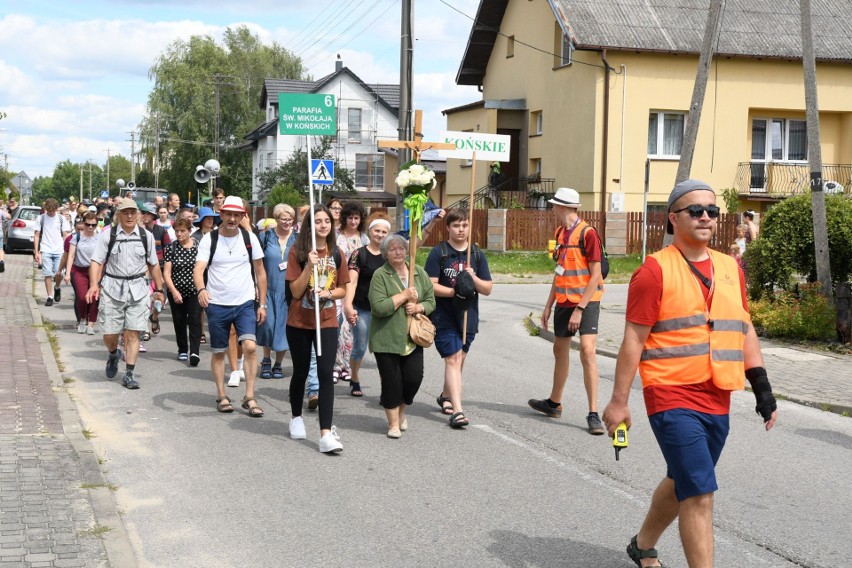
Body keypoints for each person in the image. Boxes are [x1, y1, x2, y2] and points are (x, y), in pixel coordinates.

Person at [602, 179, 778, 568]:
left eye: (712, 211)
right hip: (670, 394)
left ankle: (643, 544)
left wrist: (762, 388)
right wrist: (618, 401)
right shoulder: (653, 271)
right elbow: (633, 339)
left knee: (684, 479)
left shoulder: (731, 268)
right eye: (695, 211)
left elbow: (743, 327)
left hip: (718, 395)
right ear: (673, 219)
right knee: (699, 492)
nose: (705, 217)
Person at [529, 187, 606, 435]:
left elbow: (595, 275)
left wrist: (580, 309)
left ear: (562, 207)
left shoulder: (588, 234)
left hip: (587, 300)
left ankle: (593, 413)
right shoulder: (560, 233)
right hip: (564, 300)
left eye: (554, 205)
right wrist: (548, 305)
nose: (552, 209)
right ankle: (554, 403)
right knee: (559, 349)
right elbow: (559, 272)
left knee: (587, 351)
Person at [193, 196, 267, 417]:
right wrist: (201, 289)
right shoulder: (210, 239)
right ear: (221, 215)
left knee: (251, 347)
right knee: (218, 352)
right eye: (229, 214)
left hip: (244, 302)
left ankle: (250, 396)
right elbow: (199, 269)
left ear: (243, 216)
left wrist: (262, 304)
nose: (232, 218)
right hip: (217, 304)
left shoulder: (249, 238)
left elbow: (261, 272)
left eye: (237, 215)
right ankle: (221, 395)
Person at [285, 203, 348, 453]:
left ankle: (325, 434)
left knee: (325, 375)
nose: (323, 225)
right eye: (318, 221)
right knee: (300, 371)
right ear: (310, 226)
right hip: (299, 322)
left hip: (327, 321)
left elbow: (343, 287)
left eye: (326, 221)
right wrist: (309, 266)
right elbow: (296, 291)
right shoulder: (298, 252)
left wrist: (329, 293)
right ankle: (295, 418)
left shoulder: (337, 253)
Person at [86, 198, 166, 389]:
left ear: (138, 214)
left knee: (133, 333)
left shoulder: (145, 236)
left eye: (133, 212)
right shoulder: (108, 235)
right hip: (113, 289)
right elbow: (96, 261)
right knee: (109, 334)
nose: (129, 216)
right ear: (118, 215)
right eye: (125, 212)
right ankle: (113, 353)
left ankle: (129, 373)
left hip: (138, 289)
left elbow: (154, 264)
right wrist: (94, 285)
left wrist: (160, 290)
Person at [424, 208, 493, 429]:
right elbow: (430, 286)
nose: (461, 230)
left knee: (459, 359)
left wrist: (473, 279)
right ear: (448, 228)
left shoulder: (476, 254)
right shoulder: (439, 253)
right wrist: (456, 291)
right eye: (456, 225)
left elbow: (488, 288)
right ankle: (458, 411)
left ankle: (445, 396)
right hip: (444, 315)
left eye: (464, 225)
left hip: (468, 315)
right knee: (453, 359)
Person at [368, 233, 435, 438]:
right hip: (386, 338)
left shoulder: (418, 272)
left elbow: (431, 301)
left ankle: (401, 411)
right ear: (385, 254)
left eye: (401, 248)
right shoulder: (380, 275)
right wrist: (403, 296)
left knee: (414, 379)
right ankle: (393, 424)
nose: (398, 252)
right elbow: (378, 307)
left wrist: (419, 307)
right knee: (391, 382)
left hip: (413, 338)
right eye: (392, 249)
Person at [344, 213, 391, 398]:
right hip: (362, 308)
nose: (380, 234)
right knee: (360, 346)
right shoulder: (359, 254)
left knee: (384, 350)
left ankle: (386, 388)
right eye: (377, 230)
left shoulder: (390, 255)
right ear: (370, 231)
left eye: (384, 232)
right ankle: (354, 377)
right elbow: (352, 282)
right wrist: (348, 305)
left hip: (385, 310)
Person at [257, 204, 297, 380]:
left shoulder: (298, 239)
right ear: (276, 219)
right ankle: (266, 359)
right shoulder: (265, 236)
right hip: (268, 289)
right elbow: (256, 264)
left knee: (283, 329)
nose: (287, 222)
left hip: (288, 291)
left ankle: (278, 363)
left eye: (290, 219)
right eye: (283, 218)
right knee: (267, 326)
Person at [334, 201, 369, 388]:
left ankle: (346, 366)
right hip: (337, 285)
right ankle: (335, 364)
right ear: (344, 218)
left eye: (357, 218)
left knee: (350, 329)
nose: (353, 221)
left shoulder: (364, 238)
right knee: (336, 326)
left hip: (354, 288)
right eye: (350, 217)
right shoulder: (336, 236)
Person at [164, 218, 202, 366]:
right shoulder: (171, 248)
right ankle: (182, 349)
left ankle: (194, 351)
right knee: (179, 321)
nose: (179, 234)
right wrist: (174, 291)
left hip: (195, 290)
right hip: (176, 290)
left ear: (189, 231)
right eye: (177, 231)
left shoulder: (199, 247)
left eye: (182, 231)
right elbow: (166, 273)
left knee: (195, 321)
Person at [64, 213, 100, 334]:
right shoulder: (77, 237)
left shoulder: (99, 238)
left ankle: (91, 324)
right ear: (83, 223)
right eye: (88, 224)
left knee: (94, 298)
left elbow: (103, 257)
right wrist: (67, 273)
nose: (90, 227)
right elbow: (71, 256)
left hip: (95, 271)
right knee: (82, 297)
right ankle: (83, 319)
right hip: (79, 270)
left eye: (93, 225)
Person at [33, 198, 72, 306]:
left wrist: (67, 251)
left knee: (58, 274)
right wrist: (36, 252)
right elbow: (36, 235)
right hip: (45, 249)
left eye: (53, 210)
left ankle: (57, 287)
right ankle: (50, 297)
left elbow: (66, 235)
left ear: (56, 209)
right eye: (49, 210)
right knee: (47, 274)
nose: (51, 212)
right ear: (46, 209)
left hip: (59, 250)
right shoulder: (41, 218)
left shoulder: (61, 218)